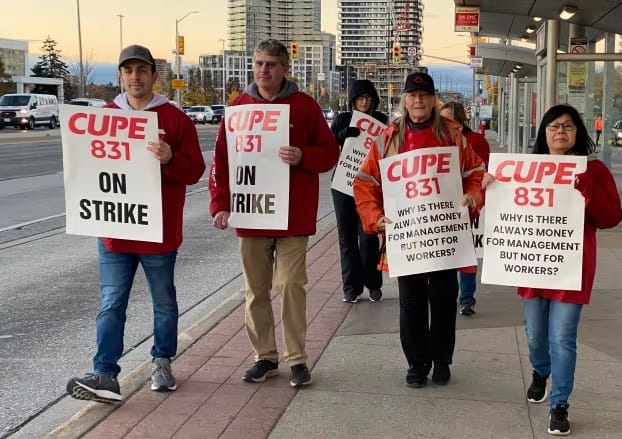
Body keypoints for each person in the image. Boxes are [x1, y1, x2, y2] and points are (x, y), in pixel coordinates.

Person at [66, 44, 206, 403]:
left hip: (157, 232)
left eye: (141, 70)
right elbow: (87, 168)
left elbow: (195, 172)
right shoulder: (106, 116)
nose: (135, 77)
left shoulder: (174, 119)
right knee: (111, 303)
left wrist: (171, 158)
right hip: (115, 231)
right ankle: (105, 374)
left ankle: (162, 362)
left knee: (163, 302)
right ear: (119, 76)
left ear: (153, 76)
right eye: (128, 70)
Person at [483, 104, 622, 435]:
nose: (561, 132)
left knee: (563, 337)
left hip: (571, 268)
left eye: (568, 126)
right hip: (532, 266)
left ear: (579, 133)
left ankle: (560, 405)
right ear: (543, 132)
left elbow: (611, 218)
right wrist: (490, 187)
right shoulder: (521, 169)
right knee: (534, 334)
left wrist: (588, 189)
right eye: (554, 126)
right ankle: (540, 371)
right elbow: (502, 212)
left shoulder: (595, 170)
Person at [209, 39, 339, 388]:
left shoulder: (305, 107)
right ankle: (265, 356)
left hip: (293, 216)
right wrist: (220, 203)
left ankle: (297, 358)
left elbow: (330, 154)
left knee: (292, 285)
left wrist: (304, 156)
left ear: (285, 69)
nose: (263, 70)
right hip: (253, 215)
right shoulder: (238, 108)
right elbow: (222, 160)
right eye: (259, 64)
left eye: (270, 64)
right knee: (256, 291)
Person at [353, 72, 485, 388]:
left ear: (433, 100)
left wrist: (472, 197)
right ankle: (416, 364)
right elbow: (364, 183)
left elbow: (476, 174)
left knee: (442, 299)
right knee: (411, 304)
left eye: (424, 96)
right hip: (407, 237)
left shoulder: (453, 136)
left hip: (442, 234)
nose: (418, 101)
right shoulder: (387, 139)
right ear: (405, 99)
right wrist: (376, 217)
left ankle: (441, 360)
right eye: (412, 95)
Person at [330, 80, 388, 303]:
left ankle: (373, 284)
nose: (364, 102)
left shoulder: (382, 121)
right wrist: (341, 135)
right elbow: (328, 145)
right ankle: (351, 288)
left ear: (373, 99)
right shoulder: (343, 119)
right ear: (353, 100)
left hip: (370, 186)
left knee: (369, 238)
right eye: (360, 98)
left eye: (368, 98)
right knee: (347, 240)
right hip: (343, 185)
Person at [440, 101, 490, 317]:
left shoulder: (475, 141)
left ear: (459, 119)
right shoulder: (439, 139)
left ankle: (467, 298)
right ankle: (445, 295)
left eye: (448, 119)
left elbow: (483, 173)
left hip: (465, 205)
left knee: (466, 253)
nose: (444, 123)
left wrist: (476, 199)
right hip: (440, 207)